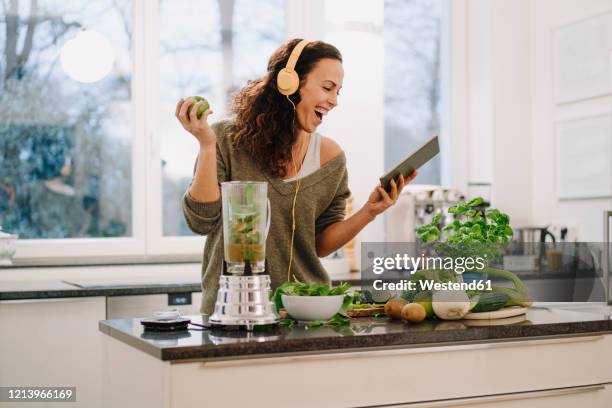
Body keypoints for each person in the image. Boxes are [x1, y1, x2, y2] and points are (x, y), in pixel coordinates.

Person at [176, 39, 417, 315]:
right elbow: (201, 220)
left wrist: (370, 211)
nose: (334, 101)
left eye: (338, 92)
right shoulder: (224, 141)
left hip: (306, 313)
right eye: (327, 88)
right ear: (289, 83)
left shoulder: (331, 158)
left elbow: (321, 245)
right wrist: (206, 146)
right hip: (234, 310)